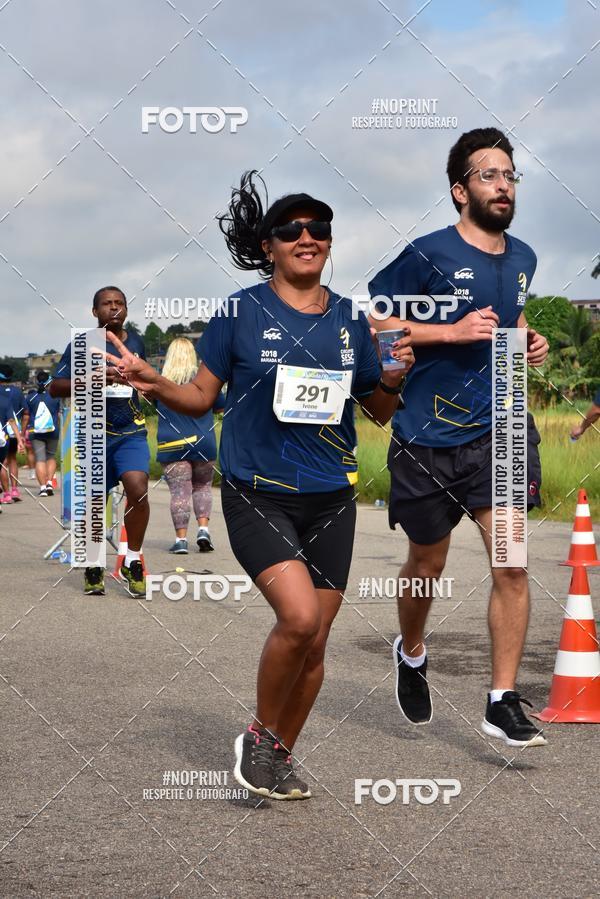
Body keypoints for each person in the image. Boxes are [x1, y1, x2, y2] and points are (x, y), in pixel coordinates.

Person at [102, 170, 414, 800]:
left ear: (329, 241)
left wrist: (395, 376)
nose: (307, 237)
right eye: (291, 230)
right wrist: (153, 379)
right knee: (298, 620)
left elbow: (376, 411)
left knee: (317, 642)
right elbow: (198, 399)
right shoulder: (240, 313)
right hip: (257, 490)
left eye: (318, 228)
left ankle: (276, 755)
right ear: (269, 245)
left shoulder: (350, 321)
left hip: (331, 494)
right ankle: (259, 735)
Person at [368, 127, 549, 748]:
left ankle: (502, 699)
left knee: (513, 561)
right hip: (426, 434)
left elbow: (509, 317)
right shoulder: (427, 254)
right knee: (427, 563)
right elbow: (378, 323)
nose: (503, 185)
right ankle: (412, 651)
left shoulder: (523, 257)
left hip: (499, 429)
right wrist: (451, 332)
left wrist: (527, 337)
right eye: (489, 175)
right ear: (459, 190)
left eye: (510, 176)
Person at [49, 286, 150, 597]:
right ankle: (94, 563)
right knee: (95, 502)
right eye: (107, 304)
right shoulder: (81, 344)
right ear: (95, 311)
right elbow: (56, 387)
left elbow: (144, 380)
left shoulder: (136, 342)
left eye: (119, 303)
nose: (114, 308)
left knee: (138, 489)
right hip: (94, 433)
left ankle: (132, 559)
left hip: (131, 431)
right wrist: (98, 377)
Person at [156, 337, 225, 554]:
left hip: (172, 444)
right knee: (203, 486)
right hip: (203, 442)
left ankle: (181, 541)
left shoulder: (159, 381)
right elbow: (220, 407)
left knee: (180, 492)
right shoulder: (205, 381)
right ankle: (203, 530)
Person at [26, 371, 61, 496]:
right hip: (52, 431)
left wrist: (22, 431)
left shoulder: (30, 397)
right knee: (50, 457)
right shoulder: (55, 396)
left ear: (36, 381)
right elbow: (58, 414)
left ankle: (42, 488)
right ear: (49, 382)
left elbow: (26, 416)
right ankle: (50, 483)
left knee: (40, 459)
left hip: (36, 432)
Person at [0, 364, 27, 503]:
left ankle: (6, 493)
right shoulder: (17, 392)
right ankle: (15, 489)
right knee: (12, 460)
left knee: (3, 463)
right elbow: (26, 413)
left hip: (2, 434)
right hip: (13, 431)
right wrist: (21, 435)